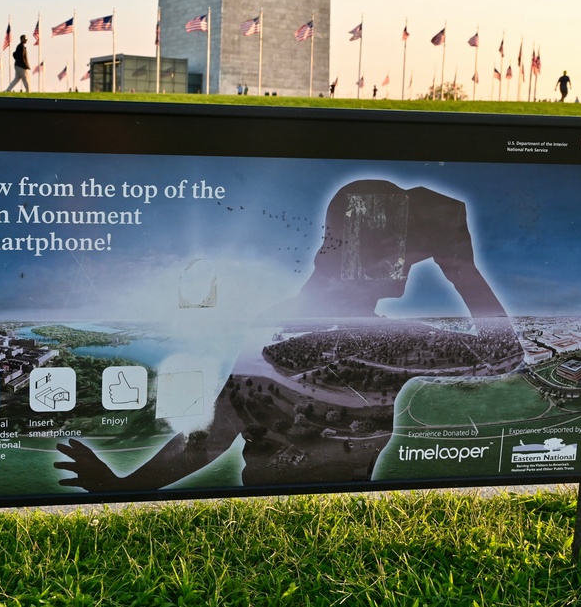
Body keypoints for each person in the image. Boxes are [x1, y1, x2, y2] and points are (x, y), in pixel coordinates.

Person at [55, 179, 523, 491]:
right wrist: (461, 267)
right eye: (395, 245)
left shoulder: (286, 326)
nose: (406, 260)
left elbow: (211, 438)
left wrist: (121, 485)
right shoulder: (359, 339)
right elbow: (504, 356)